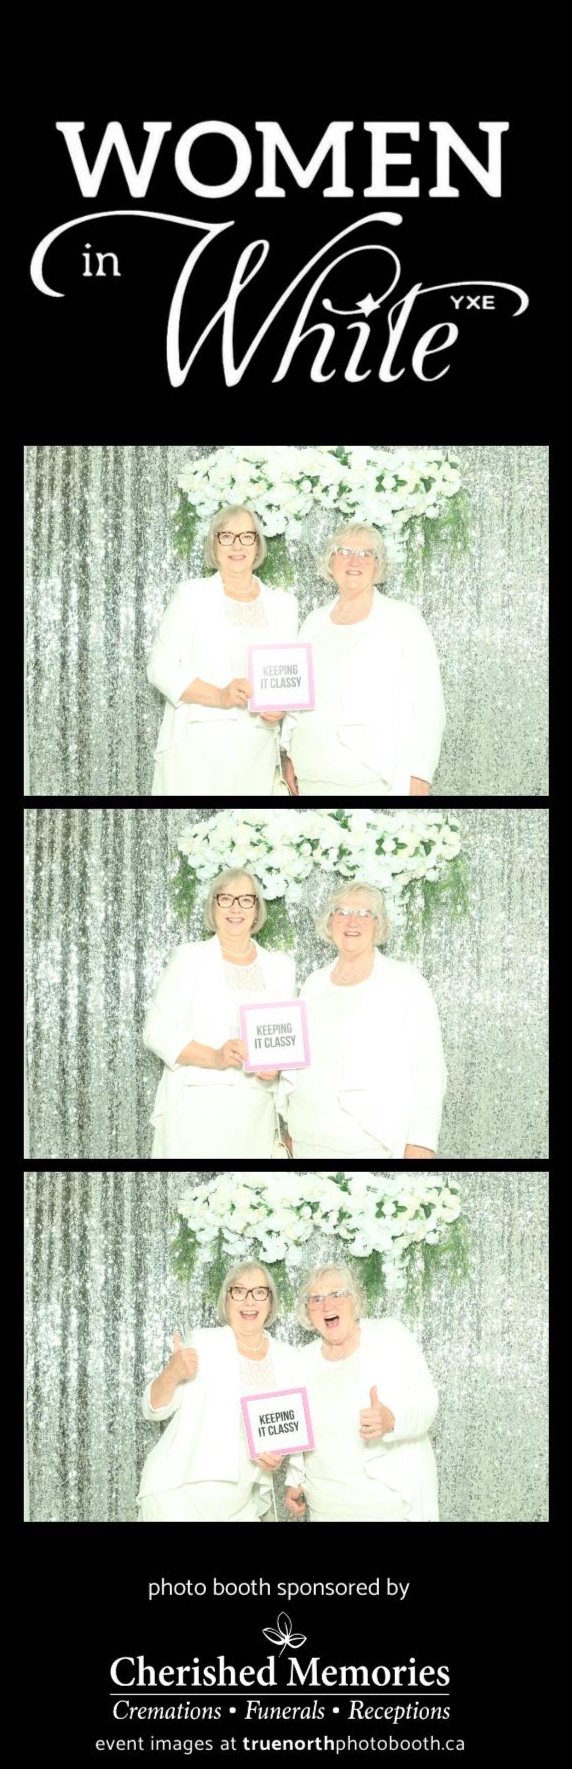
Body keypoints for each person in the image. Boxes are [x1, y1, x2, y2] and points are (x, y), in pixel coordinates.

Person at [282, 881, 446, 1159]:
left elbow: (429, 1065)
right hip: (307, 1138)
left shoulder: (405, 980)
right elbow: (297, 1059)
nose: (352, 921)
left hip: (372, 1141)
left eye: (364, 913)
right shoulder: (314, 982)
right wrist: (290, 1125)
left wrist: (421, 1140)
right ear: (330, 921)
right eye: (342, 912)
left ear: (378, 924)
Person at [280, 523, 445, 798]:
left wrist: (421, 772)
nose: (354, 561)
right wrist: (289, 754)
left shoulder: (404, 619)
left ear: (377, 564)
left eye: (366, 554)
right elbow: (296, 695)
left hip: (373, 775)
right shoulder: (313, 622)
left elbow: (429, 702)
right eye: (344, 552)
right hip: (311, 773)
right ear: (331, 560)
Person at [143, 869, 295, 1157]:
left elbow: (286, 1040)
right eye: (225, 899)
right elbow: (156, 1031)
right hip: (196, 1108)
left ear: (257, 909)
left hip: (256, 1112)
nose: (235, 908)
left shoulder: (281, 967)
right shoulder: (189, 958)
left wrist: (277, 1067)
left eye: (245, 900)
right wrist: (215, 1056)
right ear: (213, 906)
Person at [147, 505, 298, 795]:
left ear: (258, 546)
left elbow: (290, 678)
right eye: (227, 536)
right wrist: (219, 695)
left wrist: (281, 707)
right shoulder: (190, 594)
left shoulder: (283, 605)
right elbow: (160, 668)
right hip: (198, 746)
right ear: (214, 545)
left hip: (257, 749)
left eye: (246, 536)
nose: (237, 545)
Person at [138, 1264, 300, 1522]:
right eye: (239, 1291)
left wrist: (276, 1457)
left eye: (259, 1292)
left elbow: (283, 1431)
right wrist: (172, 1372)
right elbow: (153, 1410)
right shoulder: (203, 1342)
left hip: (240, 1503)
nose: (249, 1301)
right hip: (177, 1497)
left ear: (270, 1303)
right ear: (226, 1300)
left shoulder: (287, 1357)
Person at [285, 1265, 439, 1523]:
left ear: (354, 1299)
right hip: (325, 1509)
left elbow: (427, 1401)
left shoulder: (389, 1335)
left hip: (387, 1508)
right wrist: (294, 1479)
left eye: (337, 1294)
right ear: (308, 1311)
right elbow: (298, 1430)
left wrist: (393, 1419)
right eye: (316, 1299)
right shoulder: (303, 1360)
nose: (327, 1305)